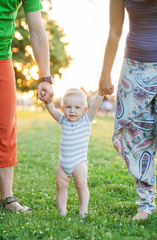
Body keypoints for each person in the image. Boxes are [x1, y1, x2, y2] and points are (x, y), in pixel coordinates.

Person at [99, 0, 157, 220]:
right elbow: (114, 31)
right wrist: (105, 73)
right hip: (133, 67)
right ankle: (145, 205)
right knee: (136, 138)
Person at [0, 0, 54, 213]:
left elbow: (37, 30)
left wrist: (46, 77)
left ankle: (7, 198)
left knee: (5, 127)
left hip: (1, 60)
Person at [43, 88, 103, 218]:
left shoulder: (86, 120)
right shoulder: (63, 119)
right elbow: (53, 110)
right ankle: (62, 211)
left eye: (77, 107)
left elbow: (95, 105)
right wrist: (48, 101)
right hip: (63, 162)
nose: (72, 111)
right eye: (69, 107)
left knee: (81, 185)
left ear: (84, 110)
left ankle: (83, 209)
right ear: (63, 109)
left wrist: (101, 93)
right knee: (60, 186)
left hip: (78, 162)